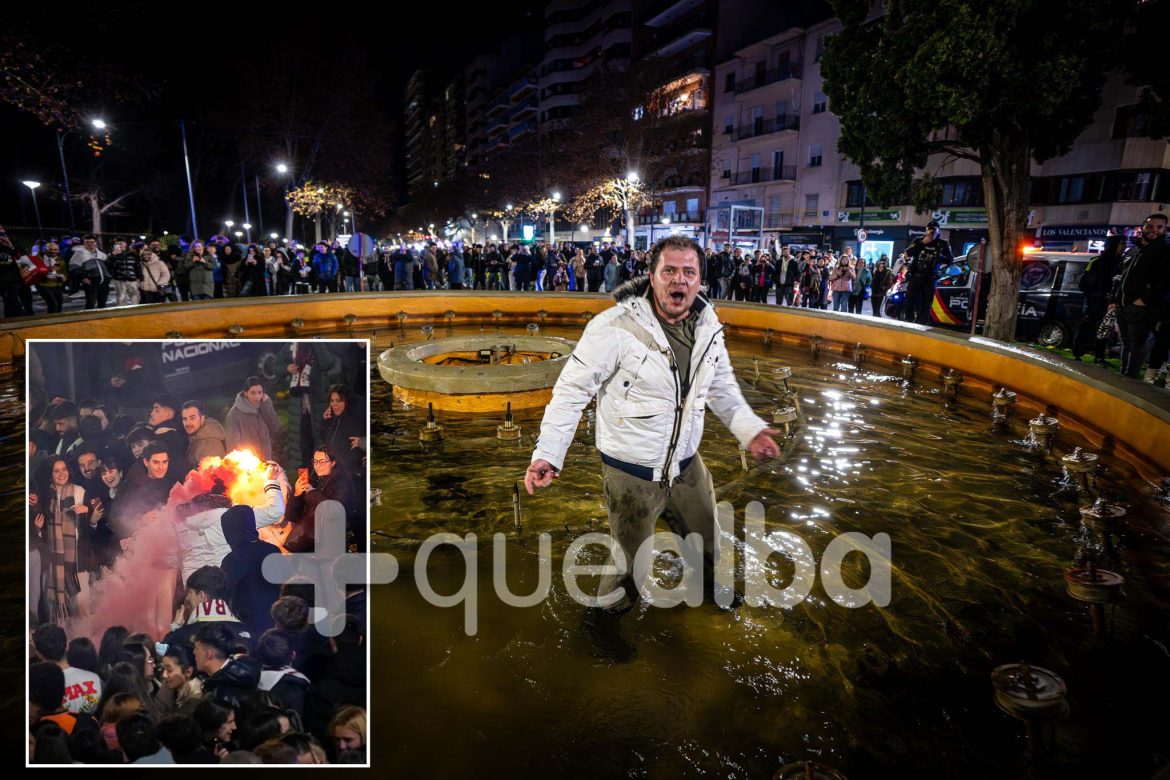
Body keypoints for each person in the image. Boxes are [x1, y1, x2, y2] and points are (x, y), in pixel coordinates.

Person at [525, 235, 778, 613]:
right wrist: (548, 454)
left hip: (687, 465)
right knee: (630, 568)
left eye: (688, 272)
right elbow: (570, 393)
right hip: (631, 471)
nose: (679, 280)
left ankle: (710, 596)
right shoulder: (613, 327)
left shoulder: (708, 325)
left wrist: (750, 430)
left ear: (699, 280)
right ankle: (603, 626)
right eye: (670, 270)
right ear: (652, 276)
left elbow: (722, 385)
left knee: (707, 543)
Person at [1114, 214, 1170, 379]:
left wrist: (1144, 300)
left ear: (1165, 229)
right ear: (1143, 227)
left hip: (1140, 308)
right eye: (1150, 226)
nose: (1154, 230)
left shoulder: (1164, 250)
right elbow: (1121, 276)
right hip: (1123, 305)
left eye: (1159, 227)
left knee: (1136, 346)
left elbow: (1166, 280)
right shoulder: (1136, 249)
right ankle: (1122, 376)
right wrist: (1115, 300)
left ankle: (1129, 381)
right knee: (1125, 344)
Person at [903, 221, 954, 324]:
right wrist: (922, 243)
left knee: (926, 304)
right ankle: (909, 319)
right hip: (916, 276)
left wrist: (940, 257)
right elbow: (908, 253)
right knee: (909, 300)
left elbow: (950, 260)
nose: (931, 233)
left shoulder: (943, 244)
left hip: (930, 278)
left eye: (933, 230)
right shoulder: (919, 240)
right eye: (928, 230)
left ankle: (922, 323)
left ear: (938, 231)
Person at [225, 377, 282, 462]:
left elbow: (276, 428)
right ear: (245, 393)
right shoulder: (235, 414)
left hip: (265, 462)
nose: (257, 396)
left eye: (260, 393)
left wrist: (267, 406)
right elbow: (232, 445)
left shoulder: (263, 407)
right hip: (247, 464)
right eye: (253, 393)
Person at [182, 400, 228, 465]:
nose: (188, 423)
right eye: (185, 419)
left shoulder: (208, 445)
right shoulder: (198, 438)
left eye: (192, 418)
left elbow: (213, 473)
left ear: (202, 418)